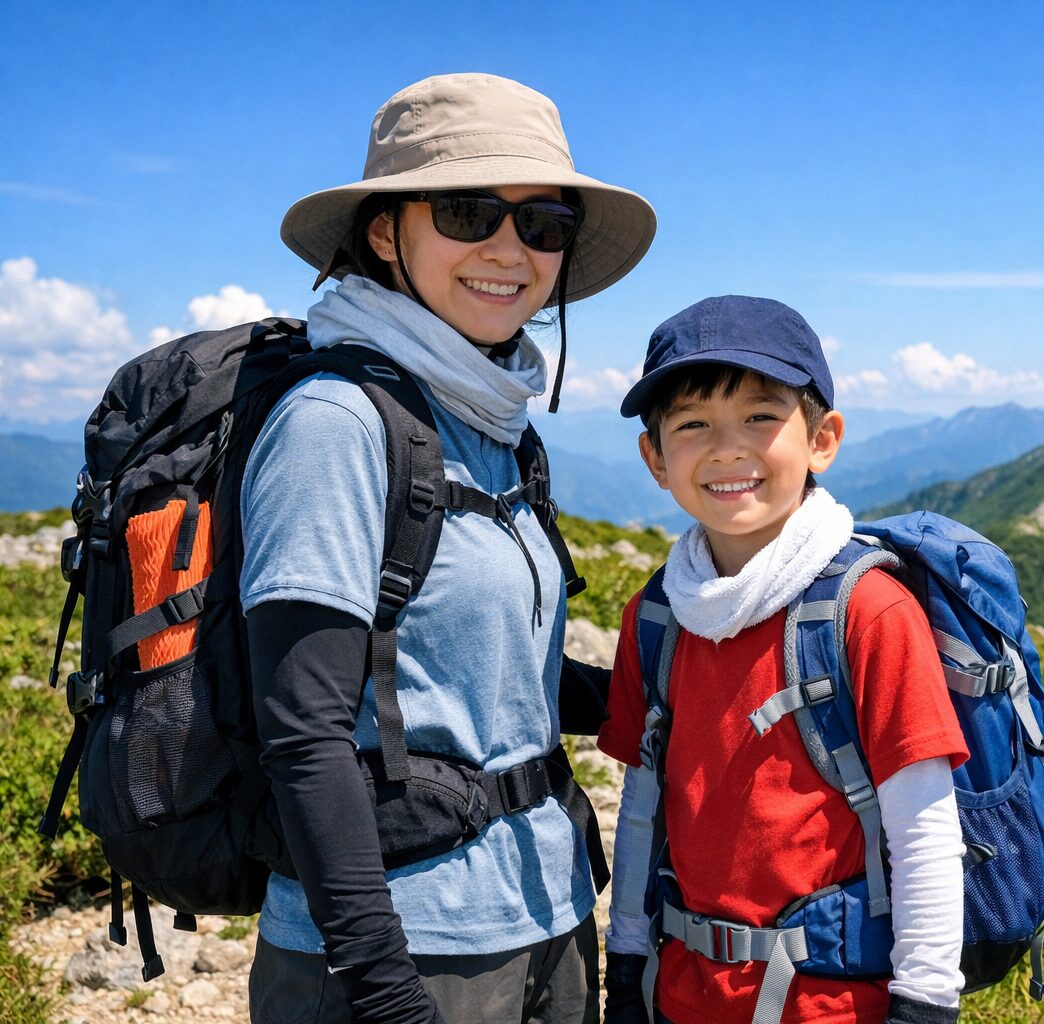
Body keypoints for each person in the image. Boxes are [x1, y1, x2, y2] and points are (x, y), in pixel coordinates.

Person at [242, 74, 655, 1024]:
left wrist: (692, 676)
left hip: (543, 912)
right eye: (471, 211)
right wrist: (386, 993)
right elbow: (303, 737)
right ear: (386, 231)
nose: (510, 249)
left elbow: (487, 679)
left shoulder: (494, 423)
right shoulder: (335, 421)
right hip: (405, 950)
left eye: (543, 222)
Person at [598, 296, 970, 1024]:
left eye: (761, 417)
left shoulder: (869, 612)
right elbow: (642, 811)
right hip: (679, 995)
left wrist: (925, 1005)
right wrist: (628, 964)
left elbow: (924, 830)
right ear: (654, 457)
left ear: (823, 439)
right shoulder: (657, 616)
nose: (728, 449)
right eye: (692, 424)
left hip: (831, 1008)